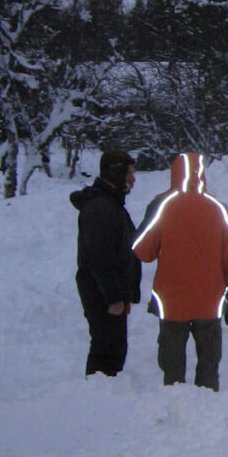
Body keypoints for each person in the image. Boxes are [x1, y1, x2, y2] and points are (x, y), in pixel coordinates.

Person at [132, 152, 228, 391]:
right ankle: (207, 405)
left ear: (173, 173)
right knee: (209, 363)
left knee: (172, 363)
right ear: (202, 173)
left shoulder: (162, 206)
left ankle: (176, 405)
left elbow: (143, 251)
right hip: (210, 300)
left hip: (171, 301)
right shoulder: (218, 209)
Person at [69, 150, 142, 377]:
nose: (133, 179)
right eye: (129, 173)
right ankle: (96, 403)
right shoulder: (101, 208)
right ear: (116, 173)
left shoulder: (111, 205)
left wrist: (125, 294)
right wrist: (114, 298)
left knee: (113, 351)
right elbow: (100, 258)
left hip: (110, 295)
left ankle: (101, 400)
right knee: (106, 353)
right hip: (102, 296)